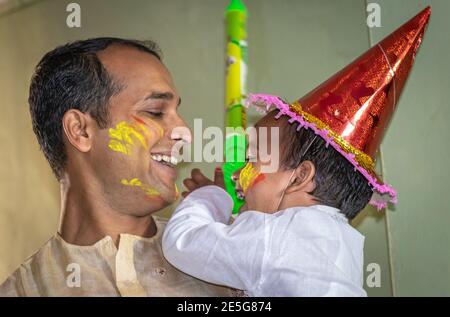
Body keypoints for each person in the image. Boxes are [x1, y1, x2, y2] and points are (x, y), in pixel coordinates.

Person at [162, 7, 431, 296]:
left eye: (252, 159)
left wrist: (215, 197)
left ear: (301, 176)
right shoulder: (342, 245)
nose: (239, 174)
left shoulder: (273, 238)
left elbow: (183, 241)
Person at [0, 37, 233, 296]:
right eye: (155, 112)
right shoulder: (22, 291)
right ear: (80, 131)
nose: (186, 133)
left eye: (176, 111)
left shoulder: (226, 254)